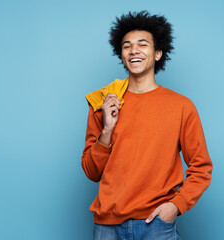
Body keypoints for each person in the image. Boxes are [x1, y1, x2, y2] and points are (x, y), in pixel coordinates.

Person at [81, 10, 213, 240]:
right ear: (121, 55)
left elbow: (201, 168)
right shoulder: (104, 103)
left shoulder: (181, 106)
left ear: (158, 53)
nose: (134, 51)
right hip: (106, 228)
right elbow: (92, 172)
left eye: (143, 44)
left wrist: (175, 206)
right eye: (127, 46)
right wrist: (107, 130)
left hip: (156, 225)